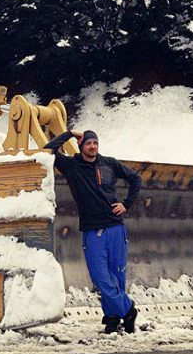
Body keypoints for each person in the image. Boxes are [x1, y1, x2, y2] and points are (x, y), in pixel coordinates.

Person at [45, 129, 142, 334]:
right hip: (92, 231)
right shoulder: (72, 166)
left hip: (116, 228)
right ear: (81, 146)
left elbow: (135, 179)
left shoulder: (110, 163)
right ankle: (128, 310)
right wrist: (70, 133)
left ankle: (113, 318)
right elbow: (48, 150)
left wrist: (126, 204)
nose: (93, 147)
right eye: (89, 143)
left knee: (117, 278)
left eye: (95, 143)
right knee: (100, 278)